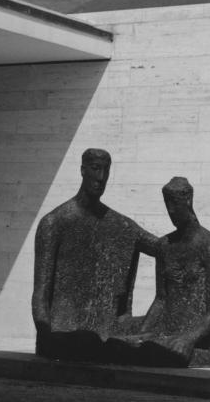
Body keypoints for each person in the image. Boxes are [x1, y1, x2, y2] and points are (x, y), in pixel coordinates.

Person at [107, 177, 210, 368]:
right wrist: (140, 335)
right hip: (166, 332)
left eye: (174, 204)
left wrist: (189, 339)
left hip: (198, 339)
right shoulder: (164, 246)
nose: (170, 210)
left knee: (165, 354)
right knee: (116, 346)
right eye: (167, 204)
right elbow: (160, 299)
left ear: (188, 201)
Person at [32, 148, 156, 359]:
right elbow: (40, 294)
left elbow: (161, 248)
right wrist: (46, 336)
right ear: (83, 170)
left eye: (105, 171)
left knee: (167, 336)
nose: (100, 177)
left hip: (108, 332)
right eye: (95, 169)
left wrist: (195, 231)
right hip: (67, 334)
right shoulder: (55, 223)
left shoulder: (119, 224)